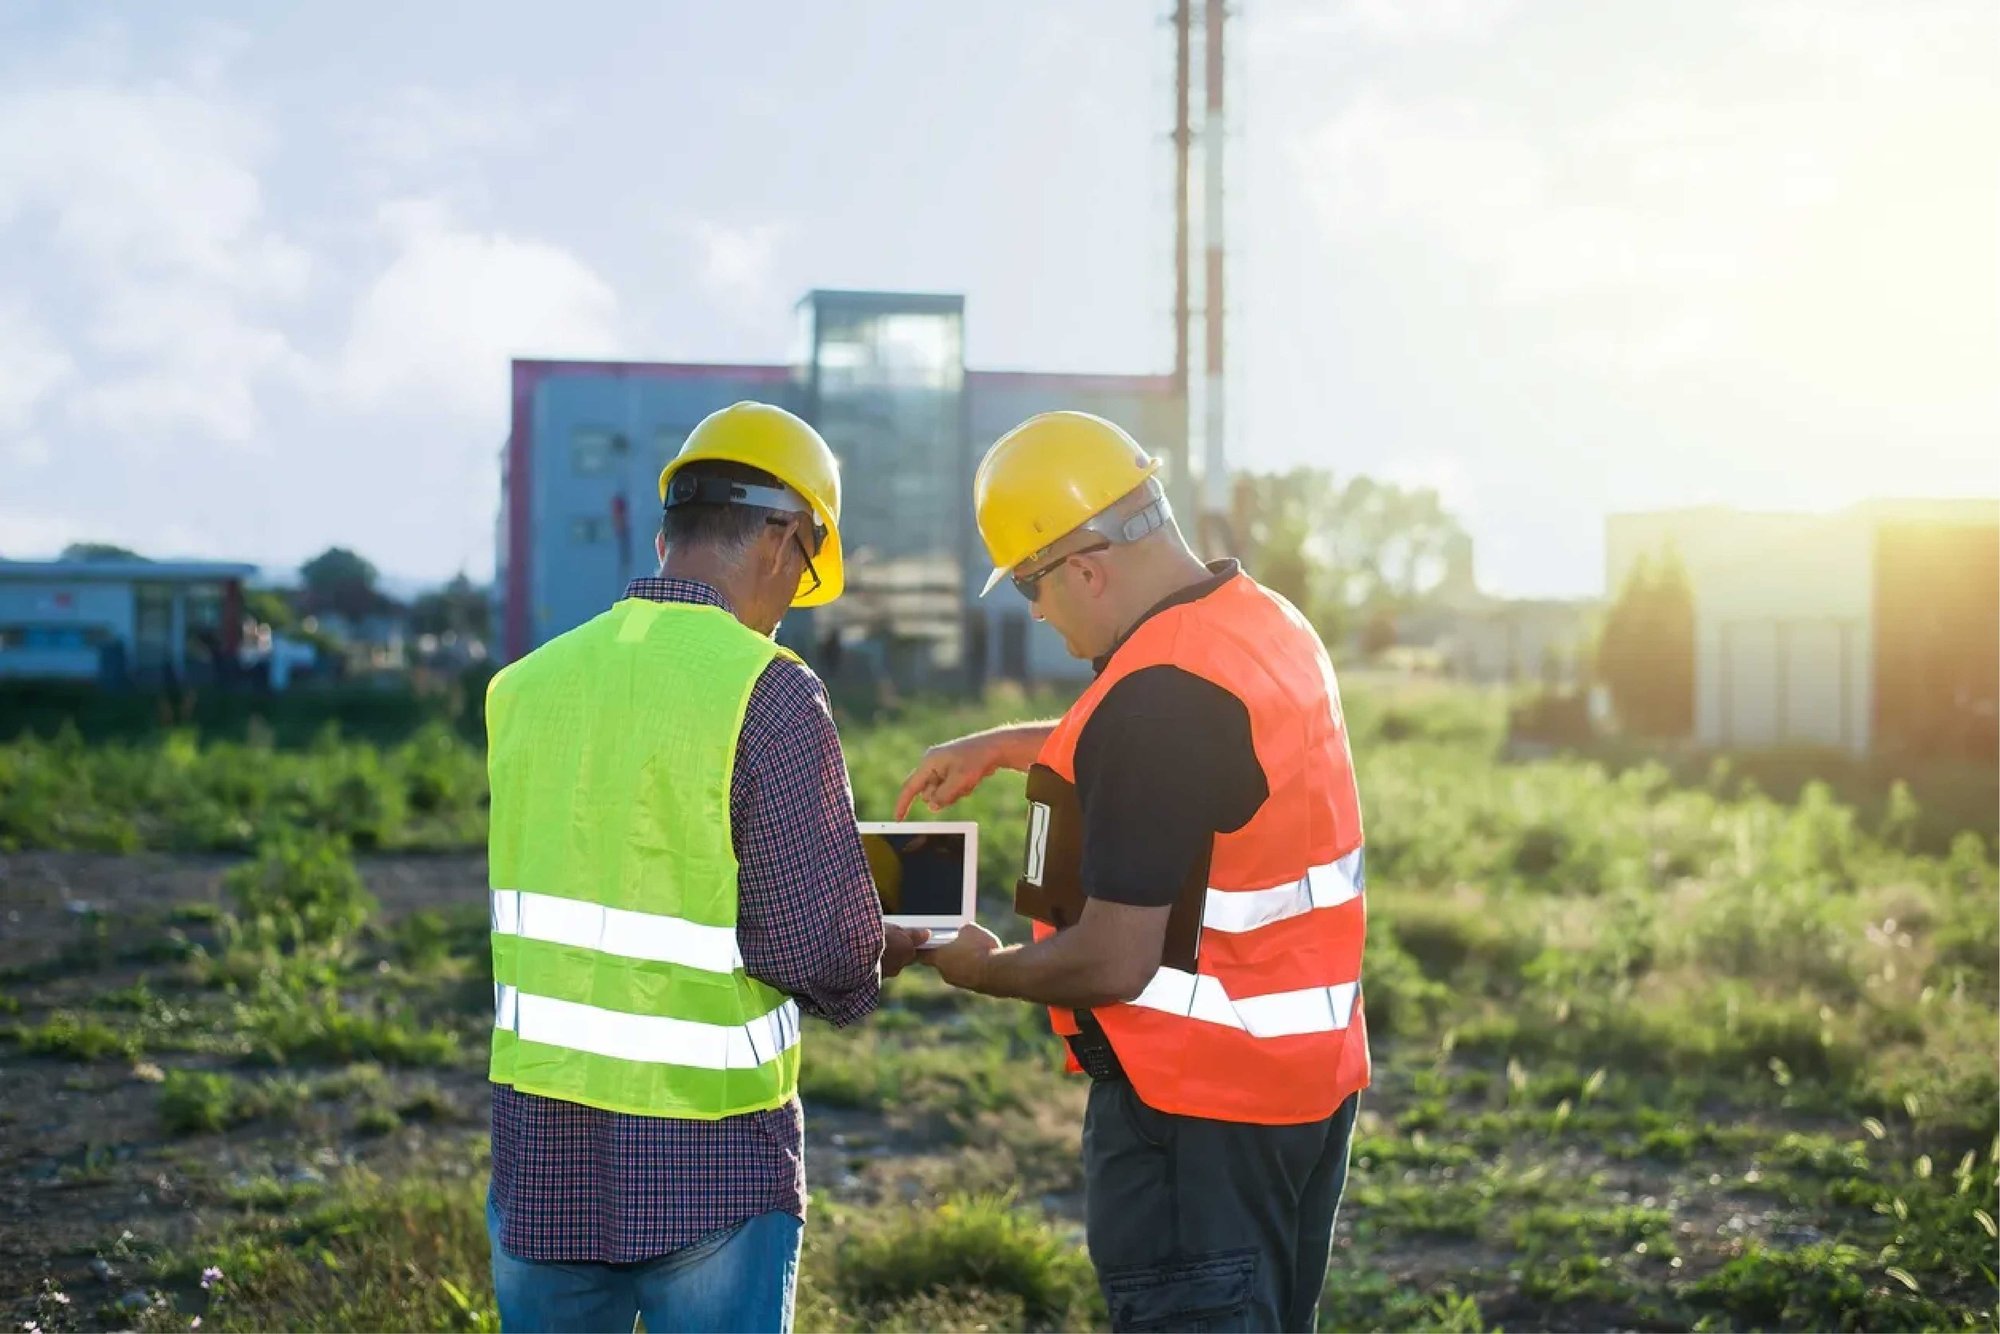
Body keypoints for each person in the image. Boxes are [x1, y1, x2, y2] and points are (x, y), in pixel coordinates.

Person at [896, 411, 1369, 1332]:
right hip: (1302, 1092)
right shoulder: (1260, 621)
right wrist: (1009, 746)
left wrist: (979, 967)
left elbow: (1114, 960)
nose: (1035, 610)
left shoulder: (1159, 695)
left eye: (1032, 583)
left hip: (1196, 1121)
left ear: (1086, 566)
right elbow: (1194, 761)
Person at [484, 400, 927, 1334]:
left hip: (541, 1156)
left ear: (669, 530)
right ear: (781, 536)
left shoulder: (522, 689)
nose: (792, 601)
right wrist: (887, 944)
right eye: (806, 566)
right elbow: (818, 947)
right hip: (712, 1166)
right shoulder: (769, 689)